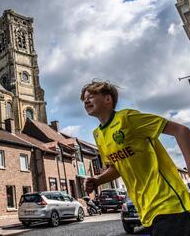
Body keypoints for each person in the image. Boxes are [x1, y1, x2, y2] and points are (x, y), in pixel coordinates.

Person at [81, 80, 190, 236]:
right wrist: (98, 180)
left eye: (91, 96)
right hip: (146, 211)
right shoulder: (98, 135)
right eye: (84, 98)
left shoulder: (128, 118)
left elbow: (181, 130)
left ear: (107, 99)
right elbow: (117, 167)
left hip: (169, 204)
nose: (86, 100)